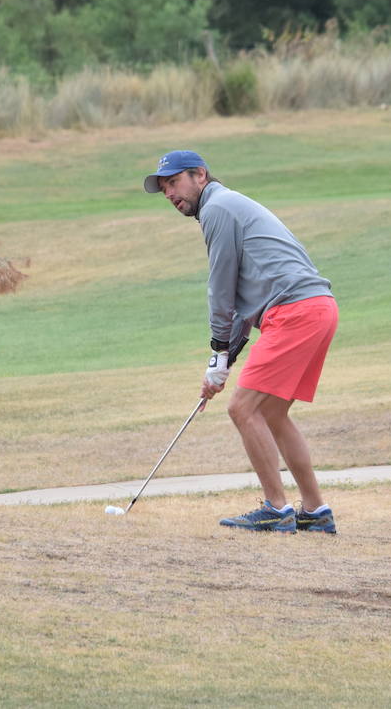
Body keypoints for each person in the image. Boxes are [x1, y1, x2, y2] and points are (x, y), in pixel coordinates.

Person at [143, 150, 339, 533]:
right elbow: (243, 305)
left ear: (200, 175)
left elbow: (221, 289)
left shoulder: (218, 209)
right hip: (317, 308)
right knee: (272, 413)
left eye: (174, 182)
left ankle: (276, 509)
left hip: (294, 311)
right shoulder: (228, 206)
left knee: (242, 409)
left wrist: (218, 350)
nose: (169, 193)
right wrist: (223, 360)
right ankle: (315, 511)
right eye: (164, 187)